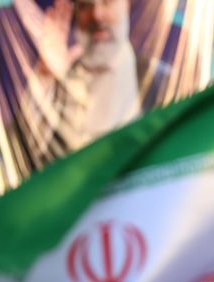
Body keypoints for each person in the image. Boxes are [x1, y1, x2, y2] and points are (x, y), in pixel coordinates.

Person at [15, 0, 141, 164]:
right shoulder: (56, 82)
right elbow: (18, 153)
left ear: (127, 5)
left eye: (107, 2)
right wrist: (45, 73)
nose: (96, 15)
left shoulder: (157, 81)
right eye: (86, 5)